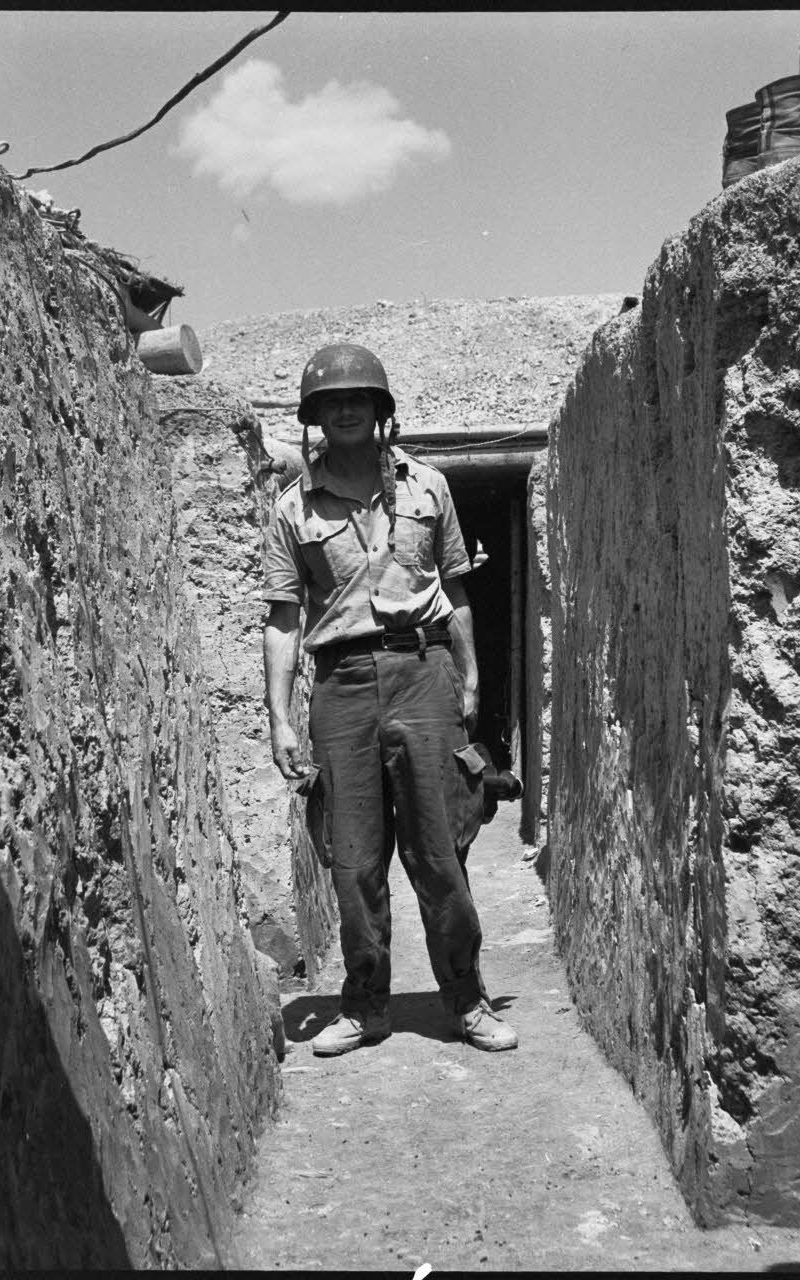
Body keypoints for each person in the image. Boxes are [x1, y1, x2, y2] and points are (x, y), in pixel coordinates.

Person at [261, 342, 518, 1057]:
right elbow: (284, 620)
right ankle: (365, 1004)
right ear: (315, 418)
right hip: (341, 687)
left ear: (381, 411)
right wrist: (281, 718)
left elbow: (456, 589)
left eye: (359, 399)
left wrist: (468, 680)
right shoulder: (292, 510)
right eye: (331, 402)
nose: (346, 410)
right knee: (355, 859)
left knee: (440, 849)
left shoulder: (429, 488)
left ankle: (467, 999)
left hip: (423, 669)